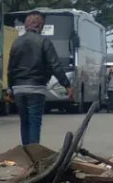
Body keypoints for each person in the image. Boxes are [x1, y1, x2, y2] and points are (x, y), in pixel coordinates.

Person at [7, 13, 72, 146]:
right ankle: (34, 154)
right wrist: (67, 85)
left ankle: (26, 152)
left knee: (24, 122)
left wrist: (10, 88)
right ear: (41, 26)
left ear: (26, 26)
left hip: (18, 89)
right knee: (34, 122)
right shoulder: (44, 41)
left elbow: (10, 68)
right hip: (36, 88)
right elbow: (55, 65)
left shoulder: (16, 42)